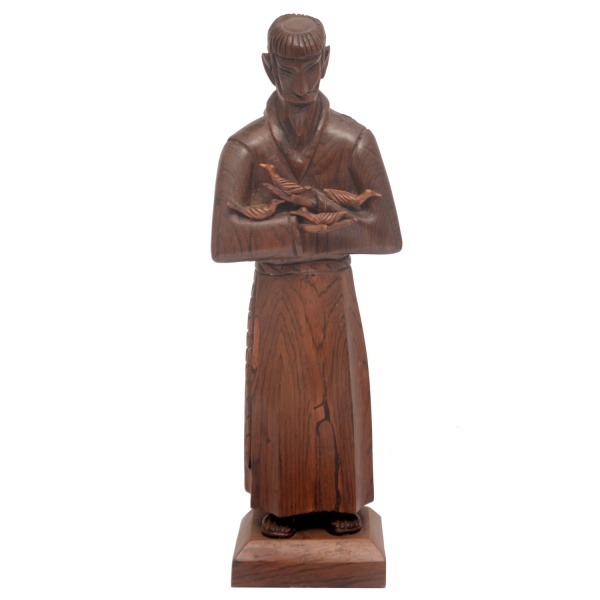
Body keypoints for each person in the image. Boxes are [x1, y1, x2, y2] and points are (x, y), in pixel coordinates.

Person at [212, 14, 402, 538]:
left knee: (337, 396)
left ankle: (343, 497)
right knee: (281, 399)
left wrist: (306, 229)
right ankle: (280, 502)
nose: (301, 85)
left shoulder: (352, 141)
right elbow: (224, 239)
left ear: (327, 62)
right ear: (268, 68)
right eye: (288, 70)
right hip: (276, 298)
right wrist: (304, 230)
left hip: (334, 296)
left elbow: (386, 232)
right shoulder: (246, 148)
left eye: (311, 68)